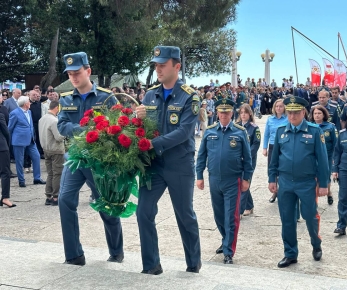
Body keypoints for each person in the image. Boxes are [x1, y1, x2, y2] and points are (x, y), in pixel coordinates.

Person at [134, 46, 201, 275]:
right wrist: (138, 119)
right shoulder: (150, 94)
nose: (158, 69)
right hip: (153, 165)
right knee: (143, 211)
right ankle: (151, 264)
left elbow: (184, 132)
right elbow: (142, 128)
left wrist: (153, 144)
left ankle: (193, 262)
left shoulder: (189, 95)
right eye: (156, 65)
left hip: (179, 164)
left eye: (163, 65)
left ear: (177, 66)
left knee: (184, 214)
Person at [57, 52, 124, 266]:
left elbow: (118, 124)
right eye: (70, 74)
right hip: (75, 157)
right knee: (65, 200)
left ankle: (116, 251)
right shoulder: (66, 98)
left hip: (99, 161)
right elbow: (61, 126)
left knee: (106, 205)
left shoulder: (106, 97)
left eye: (77, 73)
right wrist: (84, 129)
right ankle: (74, 254)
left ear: (88, 71)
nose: (73, 78)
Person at [268, 96, 329, 268]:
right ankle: (290, 253)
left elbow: (322, 160)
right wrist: (272, 178)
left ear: (303, 112)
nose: (292, 116)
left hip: (307, 182)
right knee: (287, 219)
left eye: (296, 112)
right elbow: (274, 159)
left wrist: (324, 184)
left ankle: (316, 244)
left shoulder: (315, 131)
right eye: (289, 112)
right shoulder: (281, 131)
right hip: (286, 182)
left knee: (310, 216)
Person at [196, 98, 253, 264]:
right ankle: (225, 239)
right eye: (221, 112)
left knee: (231, 216)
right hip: (214, 179)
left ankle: (228, 251)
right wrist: (199, 175)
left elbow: (248, 159)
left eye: (227, 112)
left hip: (232, 180)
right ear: (217, 113)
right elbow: (201, 155)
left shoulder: (240, 132)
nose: (223, 115)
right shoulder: (210, 131)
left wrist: (246, 178)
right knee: (219, 215)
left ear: (231, 113)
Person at [8, 96, 46, 188]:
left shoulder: (29, 111)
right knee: (19, 161)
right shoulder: (15, 113)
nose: (30, 103)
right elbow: (10, 128)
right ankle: (21, 180)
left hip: (31, 140)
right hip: (19, 141)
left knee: (36, 157)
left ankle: (37, 178)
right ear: (25, 104)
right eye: (29, 101)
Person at [236, 104, 260, 217]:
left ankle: (240, 210)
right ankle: (249, 206)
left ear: (250, 113)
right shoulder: (236, 126)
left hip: (249, 160)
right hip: (237, 159)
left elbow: (256, 144)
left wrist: (247, 156)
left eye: (245, 112)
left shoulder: (254, 128)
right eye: (241, 113)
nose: (243, 115)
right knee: (241, 181)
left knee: (245, 180)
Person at [309, 105, 337, 205]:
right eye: (315, 113)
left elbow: (336, 143)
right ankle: (314, 199)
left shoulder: (330, 126)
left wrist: (334, 157)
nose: (317, 115)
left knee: (326, 175)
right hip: (313, 156)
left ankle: (329, 193)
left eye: (319, 113)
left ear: (324, 114)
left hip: (327, 156)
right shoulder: (309, 126)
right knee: (314, 177)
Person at [39, 100, 65, 206]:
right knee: (57, 173)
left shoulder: (42, 119)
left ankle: (48, 195)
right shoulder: (54, 120)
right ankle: (55, 196)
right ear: (57, 108)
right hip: (56, 150)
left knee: (50, 173)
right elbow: (58, 137)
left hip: (46, 148)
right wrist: (66, 133)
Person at [263, 99, 287, 203]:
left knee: (283, 169)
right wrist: (264, 148)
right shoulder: (270, 119)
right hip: (272, 146)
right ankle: (275, 191)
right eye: (277, 106)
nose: (278, 108)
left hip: (284, 146)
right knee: (272, 169)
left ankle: (283, 191)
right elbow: (266, 134)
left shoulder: (287, 119)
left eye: (281, 106)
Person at [0, 110, 15, 208]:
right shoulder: (0, 115)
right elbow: (6, 131)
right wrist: (7, 144)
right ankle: (5, 197)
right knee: (5, 172)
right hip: (1, 147)